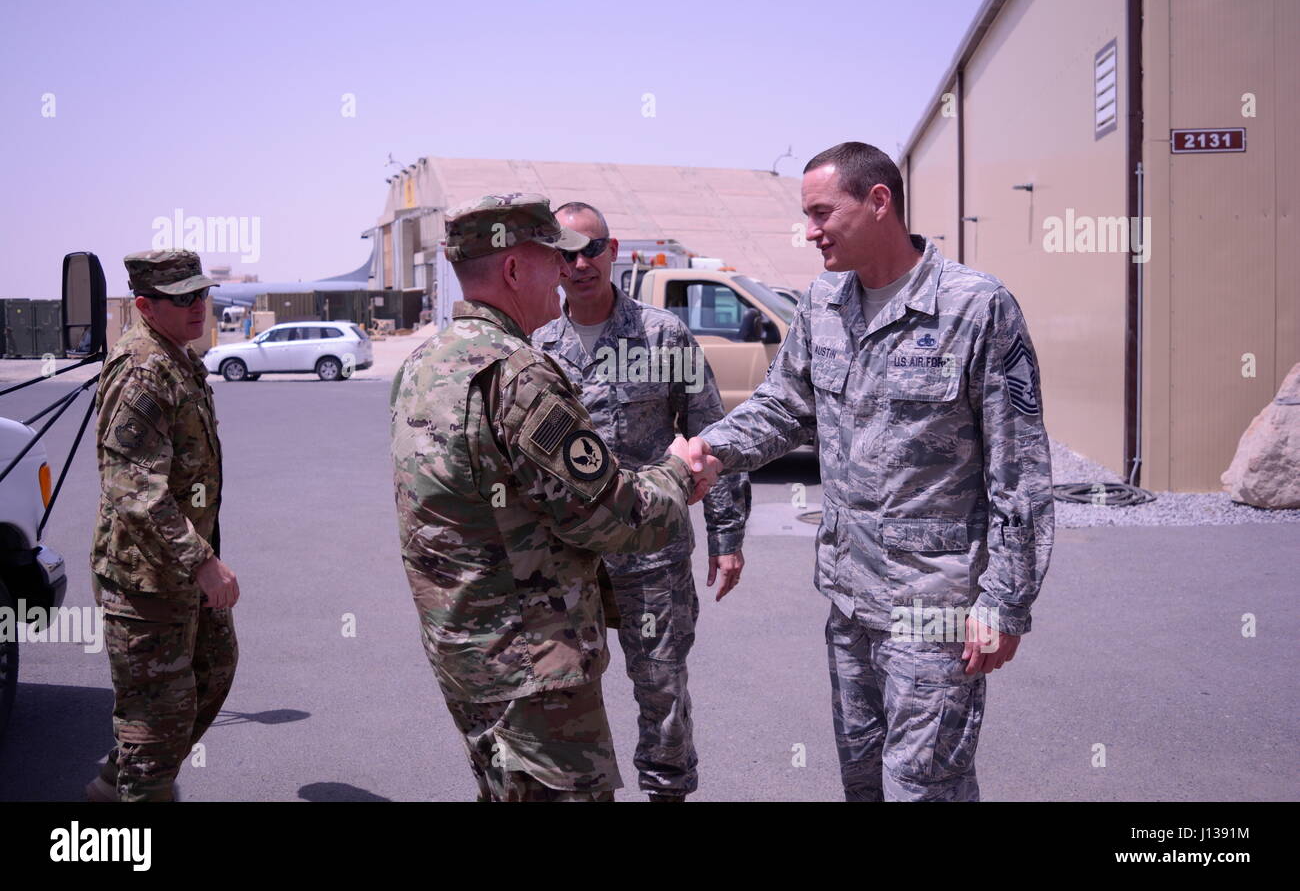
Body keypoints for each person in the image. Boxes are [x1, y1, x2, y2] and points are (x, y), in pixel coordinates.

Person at [688, 142, 1054, 801]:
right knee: (864, 782)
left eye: (822, 212)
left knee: (920, 786)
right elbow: (782, 409)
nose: (810, 232)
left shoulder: (976, 308)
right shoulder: (822, 303)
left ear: (878, 200)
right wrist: (711, 451)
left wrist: (1004, 602)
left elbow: (1020, 470)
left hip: (935, 608)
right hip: (850, 602)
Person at [390, 193, 721, 802]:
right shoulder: (520, 371)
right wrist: (677, 472)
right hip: (532, 655)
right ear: (517, 270)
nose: (568, 270)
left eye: (583, 253)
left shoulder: (422, 365)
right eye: (555, 258)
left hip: (464, 645)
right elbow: (612, 515)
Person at [533, 201, 750, 802]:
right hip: (567, 561)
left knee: (661, 688)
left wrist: (727, 539)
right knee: (567, 692)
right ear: (552, 262)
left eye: (592, 249)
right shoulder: (534, 346)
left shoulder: (662, 335)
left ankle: (667, 793)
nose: (581, 264)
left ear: (614, 250)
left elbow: (712, 437)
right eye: (566, 253)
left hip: (651, 555)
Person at [86, 249, 239, 802]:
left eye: (202, 293)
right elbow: (135, 492)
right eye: (183, 298)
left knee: (214, 670)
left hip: (180, 573)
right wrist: (203, 562)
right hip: (146, 579)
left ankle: (119, 781)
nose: (199, 306)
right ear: (145, 305)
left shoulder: (177, 355)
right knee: (158, 718)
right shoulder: (144, 370)